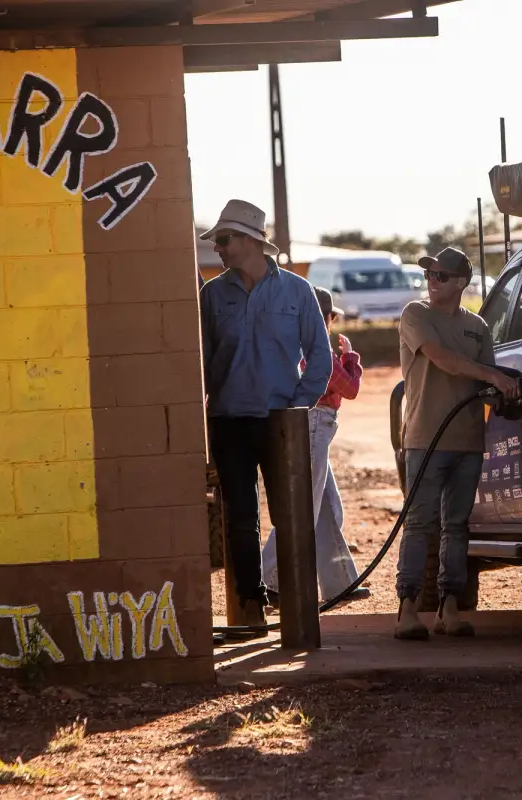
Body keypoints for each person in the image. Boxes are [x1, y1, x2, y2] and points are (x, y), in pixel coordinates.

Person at [199, 199, 333, 630]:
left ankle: (294, 609)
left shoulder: (297, 291)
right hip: (228, 423)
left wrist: (296, 407)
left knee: (288, 516)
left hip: (281, 424)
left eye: (224, 239)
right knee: (240, 517)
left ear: (252, 241)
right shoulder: (212, 294)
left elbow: (320, 356)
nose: (218, 248)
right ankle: (250, 609)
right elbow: (199, 362)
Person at [394, 247, 520, 641]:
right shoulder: (416, 315)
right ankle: (408, 609)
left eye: (441, 276)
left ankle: (450, 608)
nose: (432, 281)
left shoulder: (477, 327)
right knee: (419, 523)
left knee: (457, 527)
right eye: (430, 274)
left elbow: (486, 382)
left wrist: (504, 388)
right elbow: (443, 359)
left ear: (461, 282)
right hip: (425, 439)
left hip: (467, 441)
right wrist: (493, 376)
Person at [261, 286, 371, 607]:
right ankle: (268, 580)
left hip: (309, 426)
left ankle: (338, 584)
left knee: (325, 509)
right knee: (301, 510)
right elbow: (349, 388)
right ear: (325, 317)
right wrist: (350, 357)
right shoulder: (316, 346)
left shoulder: (292, 344)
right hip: (313, 426)